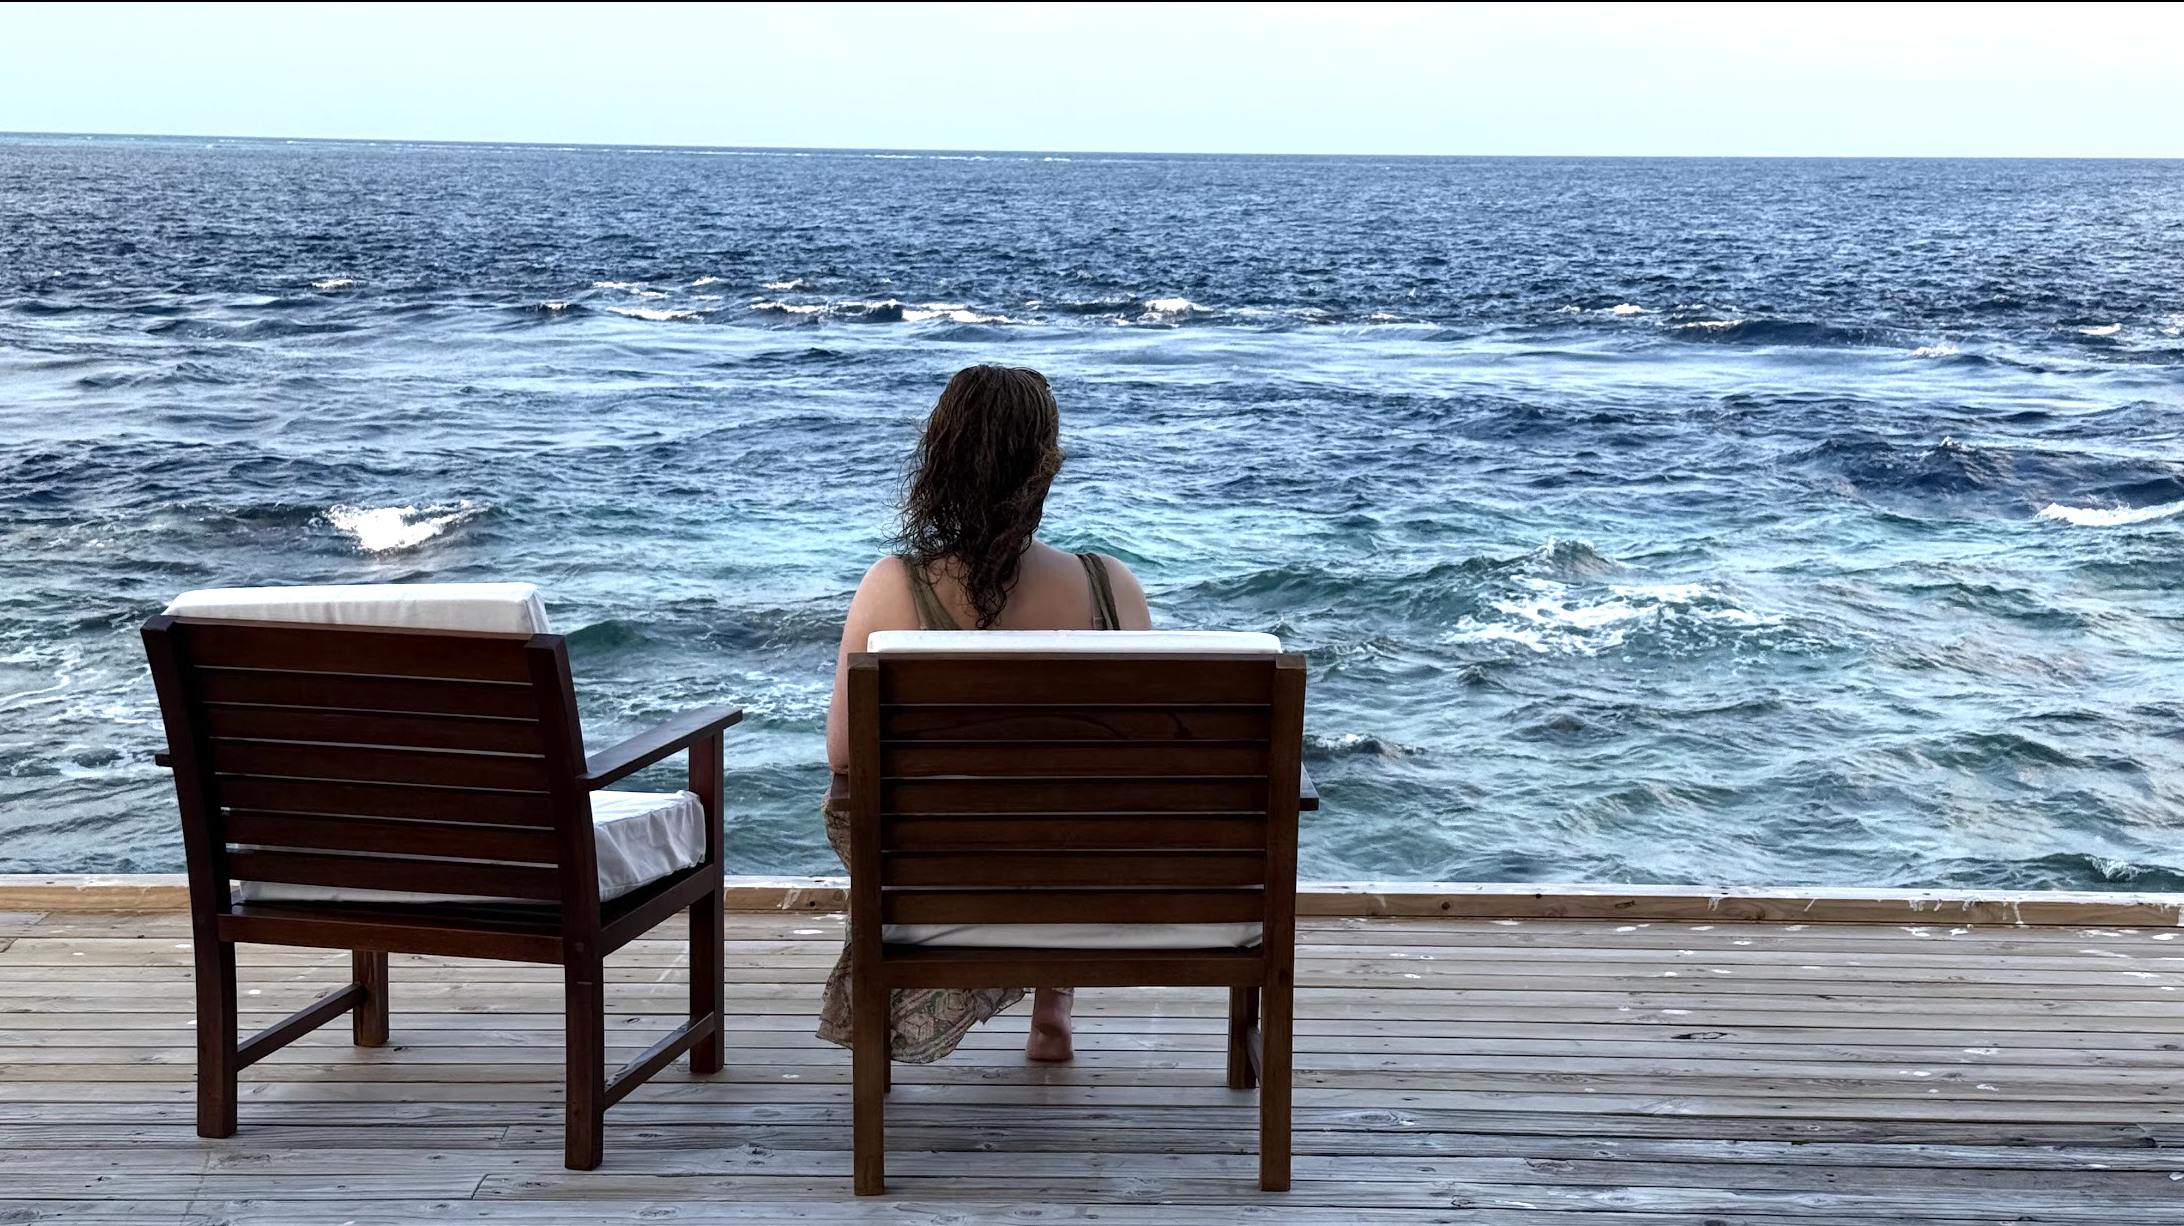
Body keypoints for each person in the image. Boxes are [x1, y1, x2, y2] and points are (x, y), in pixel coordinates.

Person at [816, 365, 1153, 1065]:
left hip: (943, 873)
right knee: (1077, 802)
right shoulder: (1110, 588)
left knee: (873, 807)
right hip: (1083, 877)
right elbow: (1142, 757)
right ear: (1043, 469)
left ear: (941, 461)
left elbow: (844, 754)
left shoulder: (893, 588)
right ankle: (1054, 1001)